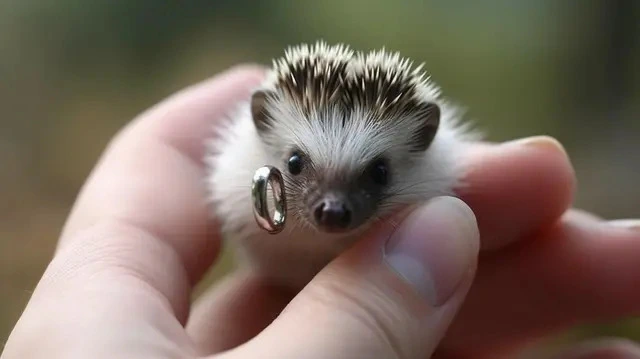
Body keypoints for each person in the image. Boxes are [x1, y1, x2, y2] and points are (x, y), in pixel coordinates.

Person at [2, 66, 639, 359]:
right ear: (265, 132)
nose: (334, 206)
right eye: (300, 169)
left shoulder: (437, 182)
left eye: (373, 175)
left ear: (417, 143)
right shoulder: (240, 176)